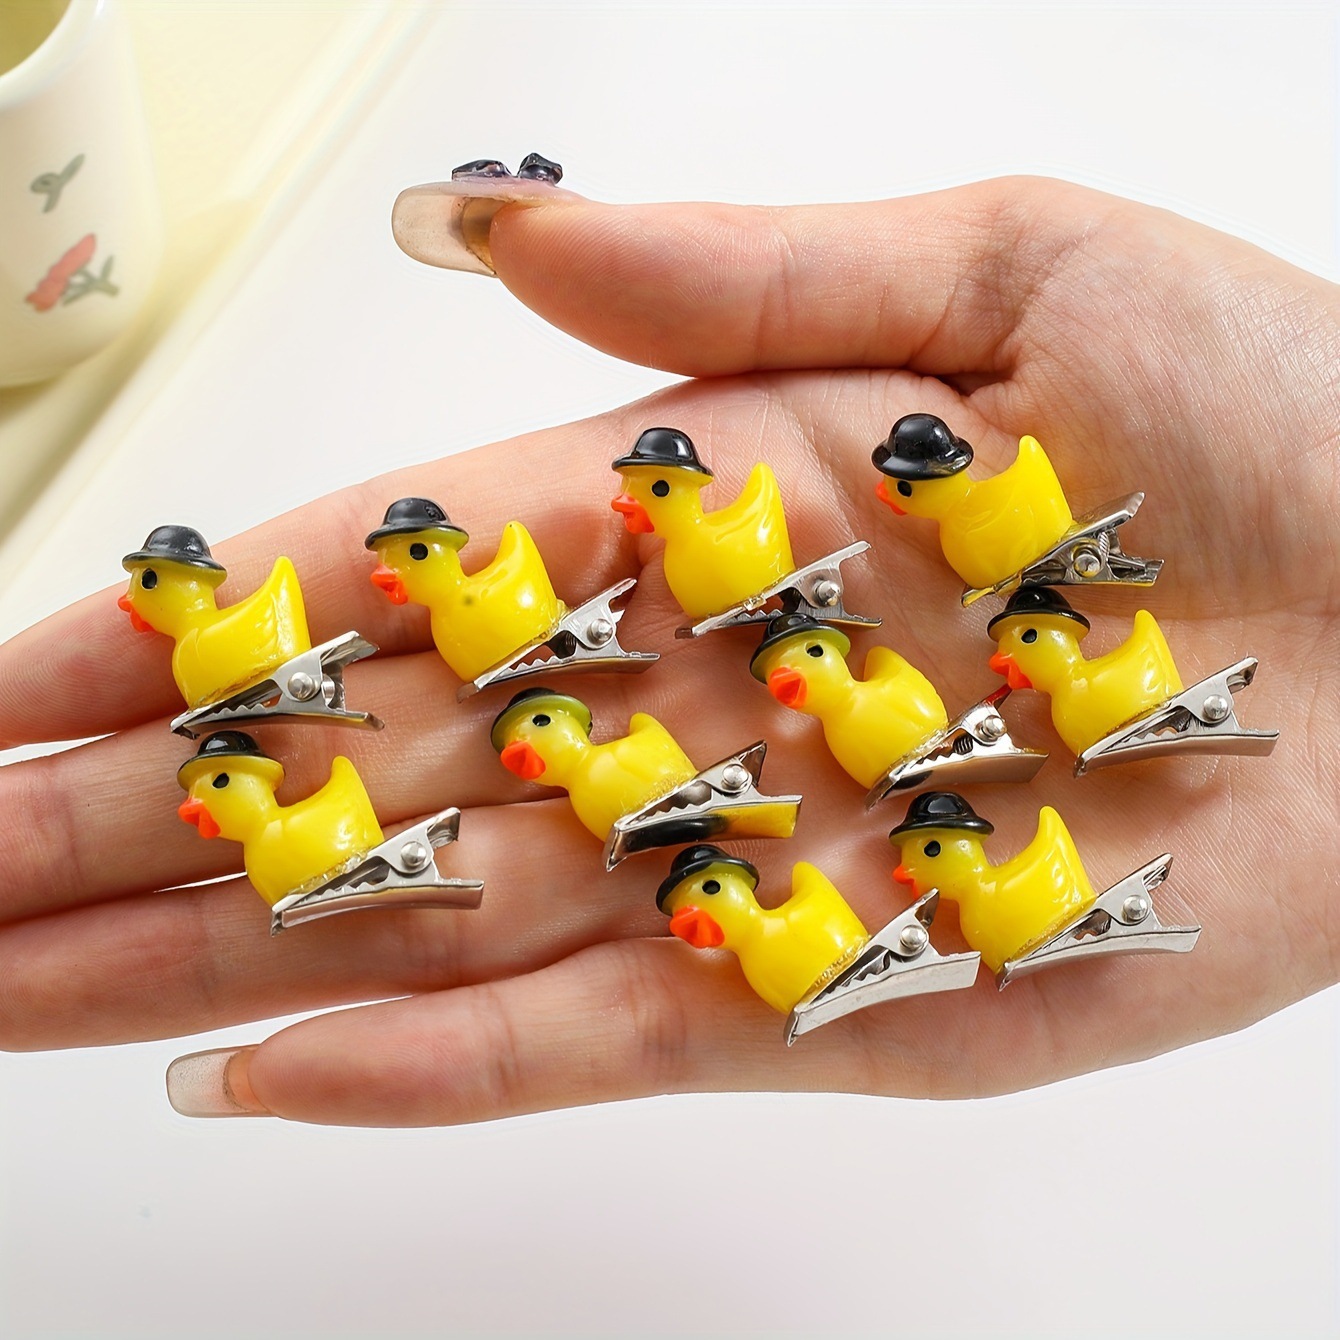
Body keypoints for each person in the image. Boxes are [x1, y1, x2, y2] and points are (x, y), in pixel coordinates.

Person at [0, 176, 1334, 1125]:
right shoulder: (626, 686)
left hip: (945, 725)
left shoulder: (907, 598)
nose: (633, 511)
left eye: (650, 493)